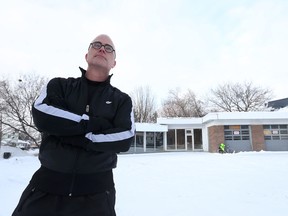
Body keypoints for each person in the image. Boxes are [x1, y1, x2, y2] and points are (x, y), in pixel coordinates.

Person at [12, 34, 135, 216]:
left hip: (97, 196)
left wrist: (80, 138)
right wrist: (93, 124)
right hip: (45, 190)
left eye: (109, 48)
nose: (102, 48)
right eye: (97, 45)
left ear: (114, 63)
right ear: (86, 55)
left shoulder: (121, 100)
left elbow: (125, 138)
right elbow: (42, 114)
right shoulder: (60, 86)